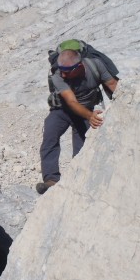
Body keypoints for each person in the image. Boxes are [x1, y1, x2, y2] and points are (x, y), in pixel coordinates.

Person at [36, 43, 118, 194]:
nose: (64, 75)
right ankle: (51, 180)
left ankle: (78, 177)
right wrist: (89, 116)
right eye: (62, 71)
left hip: (86, 109)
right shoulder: (57, 75)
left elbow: (112, 83)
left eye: (67, 71)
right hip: (63, 110)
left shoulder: (95, 66)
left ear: (79, 66)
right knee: (50, 135)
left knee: (82, 147)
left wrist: (125, 103)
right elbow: (72, 102)